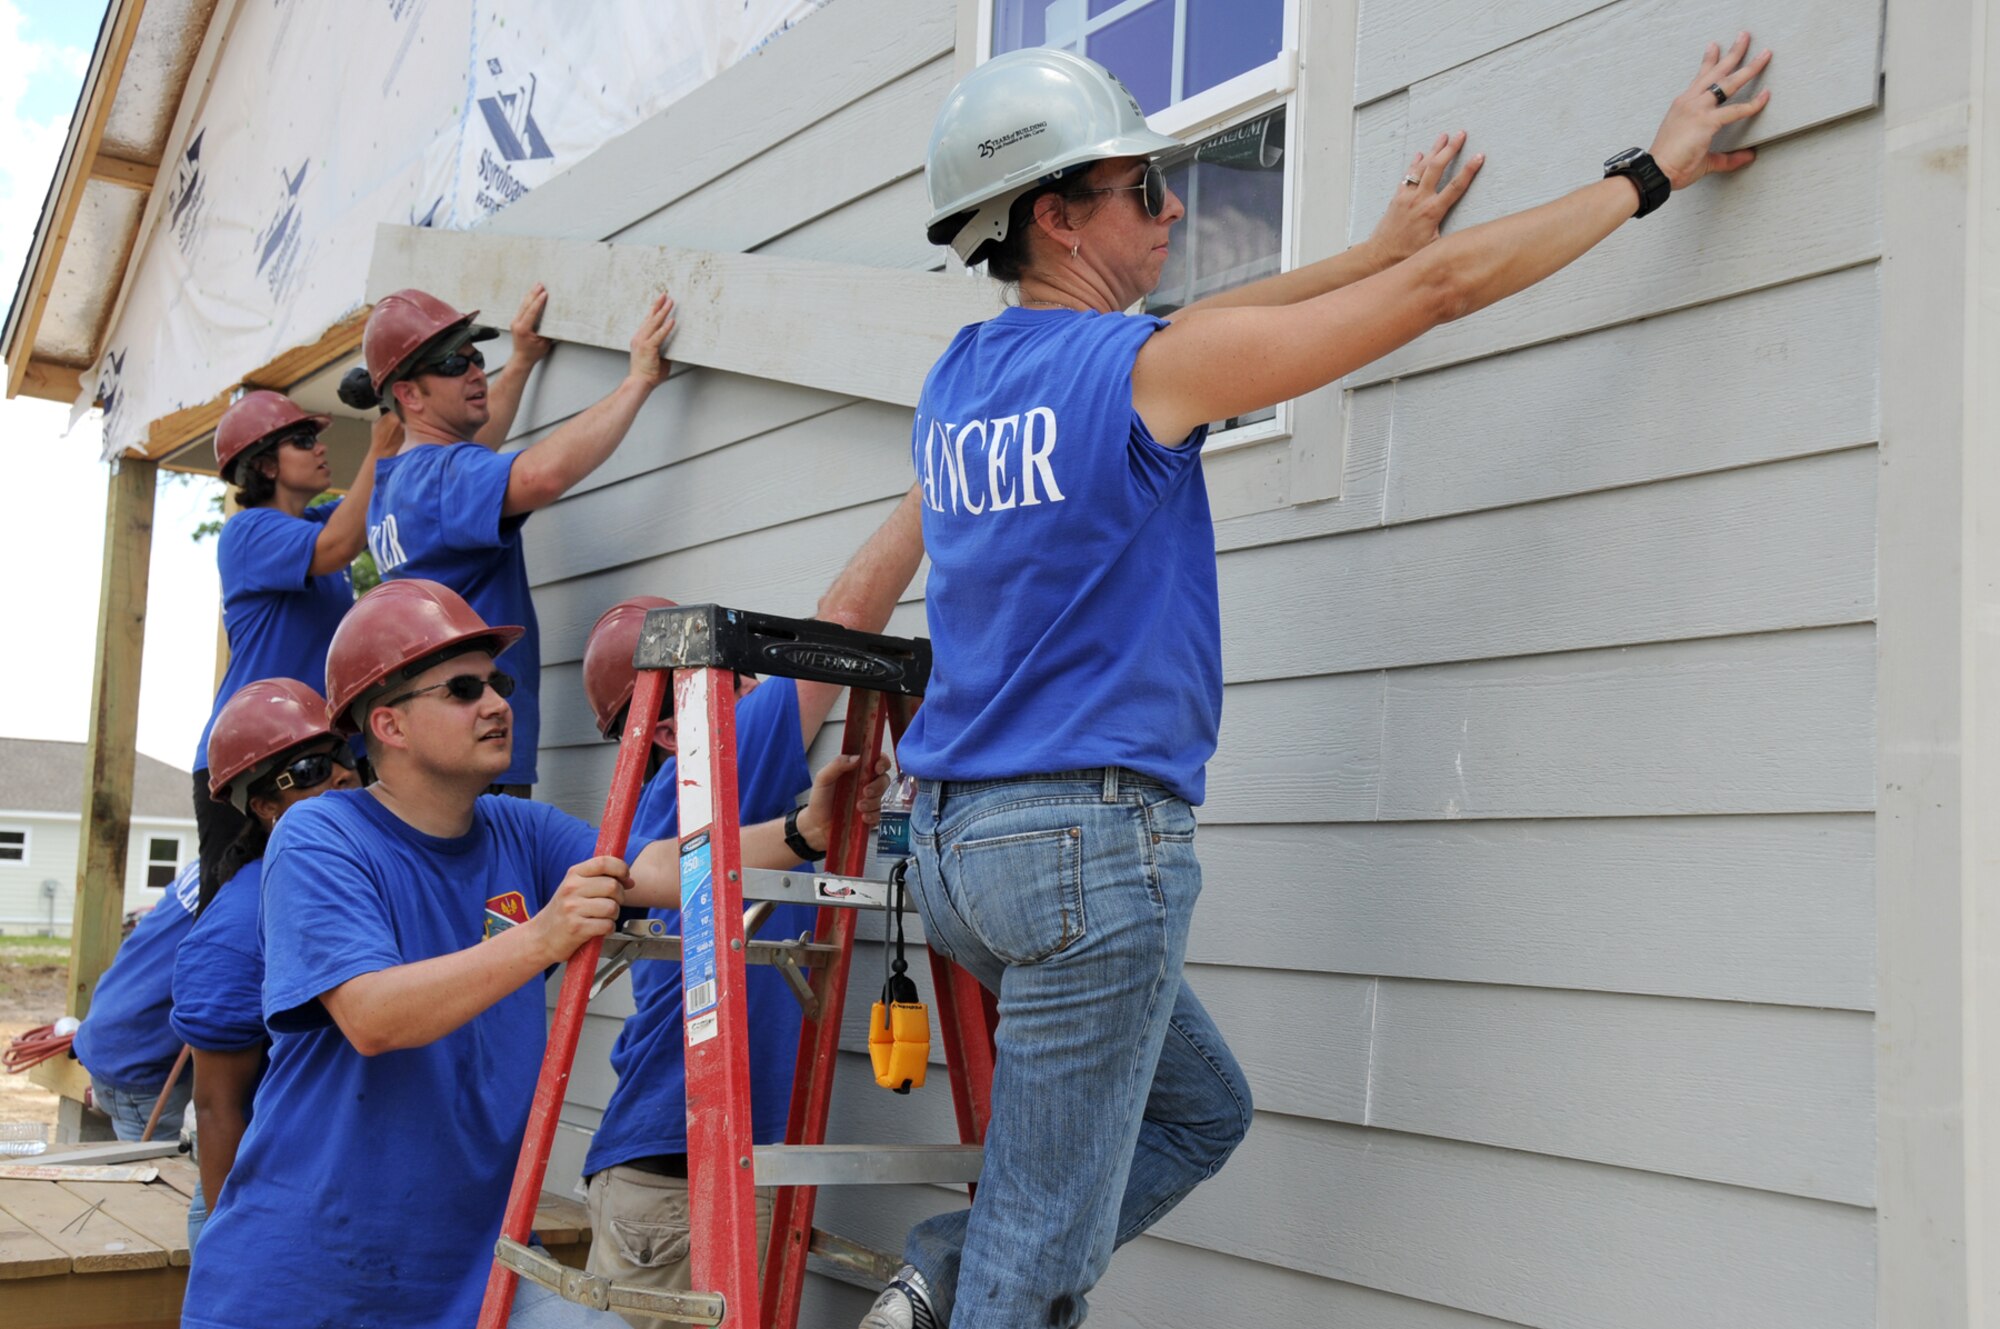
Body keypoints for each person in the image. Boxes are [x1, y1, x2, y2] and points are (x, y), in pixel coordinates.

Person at [864, 36, 1774, 1329]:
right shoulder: (1139, 372)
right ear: (1056, 216)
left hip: (959, 851)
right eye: (1143, 190)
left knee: (1196, 1111)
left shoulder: (958, 384)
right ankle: (978, 1279)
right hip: (1083, 853)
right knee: (1040, 1258)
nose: (1174, 209)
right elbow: (1447, 295)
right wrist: (1650, 171)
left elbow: (1234, 323)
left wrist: (1371, 251)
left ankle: (941, 1276)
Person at [177, 578, 886, 1329]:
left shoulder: (522, 831)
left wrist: (806, 826)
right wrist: (542, 935)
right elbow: (371, 1013)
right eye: (461, 688)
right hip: (307, 1282)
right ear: (387, 722)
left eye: (497, 682)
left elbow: (657, 866)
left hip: (472, 1272)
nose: (497, 703)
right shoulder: (321, 836)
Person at [578, 487, 925, 1320]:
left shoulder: (702, 794)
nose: (758, 687)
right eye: (734, 673)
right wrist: (934, 479)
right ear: (675, 713)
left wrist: (804, 825)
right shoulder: (716, 751)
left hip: (686, 1165)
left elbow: (693, 861)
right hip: (679, 1174)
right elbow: (844, 617)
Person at [356, 281, 676, 795]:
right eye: (453, 365)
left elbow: (477, 445)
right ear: (409, 394)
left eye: (476, 357)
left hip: (439, 746)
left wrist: (522, 361)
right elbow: (538, 477)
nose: (477, 371)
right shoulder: (444, 478)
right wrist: (637, 379)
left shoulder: (397, 483)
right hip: (472, 745)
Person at [171, 678, 361, 1253]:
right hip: (262, 1200)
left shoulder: (366, 878)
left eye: (343, 757)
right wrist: (239, 1247)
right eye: (307, 771)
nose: (341, 776)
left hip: (350, 1191)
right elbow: (217, 1105)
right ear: (264, 807)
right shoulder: (234, 930)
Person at [191, 390, 399, 894]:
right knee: (236, 918)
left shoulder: (314, 522)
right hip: (247, 766)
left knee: (330, 902)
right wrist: (380, 445)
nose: (320, 449)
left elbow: (371, 505)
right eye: (304, 441)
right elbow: (338, 545)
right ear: (263, 465)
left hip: (318, 755)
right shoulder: (248, 531)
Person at [69, 859, 199, 1142]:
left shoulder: (206, 870)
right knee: (151, 1178)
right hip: (138, 1062)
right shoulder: (239, 889)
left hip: (113, 1036)